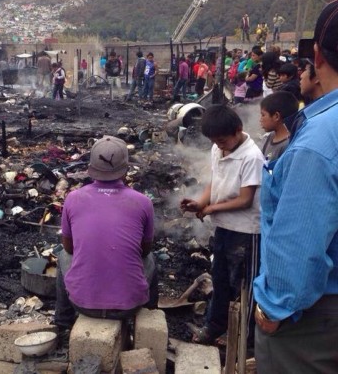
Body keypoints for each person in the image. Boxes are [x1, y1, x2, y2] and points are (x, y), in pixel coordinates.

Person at [254, 0, 338, 374]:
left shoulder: (319, 142)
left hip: (315, 322)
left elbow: (300, 247)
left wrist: (272, 309)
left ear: (316, 56)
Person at [55, 135, 158, 331]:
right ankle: (149, 316)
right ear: (126, 169)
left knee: (62, 255)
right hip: (129, 307)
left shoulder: (73, 198)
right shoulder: (143, 202)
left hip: (82, 305)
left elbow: (69, 248)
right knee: (151, 258)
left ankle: (62, 322)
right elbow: (145, 251)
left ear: (91, 168)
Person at [181, 105, 265, 345]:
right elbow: (214, 181)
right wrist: (200, 203)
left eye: (222, 140)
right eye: (214, 141)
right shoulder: (218, 149)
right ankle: (216, 325)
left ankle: (246, 337)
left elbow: (245, 199)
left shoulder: (252, 157)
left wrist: (211, 209)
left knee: (245, 285)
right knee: (220, 278)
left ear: (238, 131)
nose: (218, 145)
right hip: (224, 227)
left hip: (247, 231)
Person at [259, 91, 299, 162]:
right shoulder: (270, 136)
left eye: (263, 115)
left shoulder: (287, 146)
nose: (260, 120)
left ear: (276, 116)